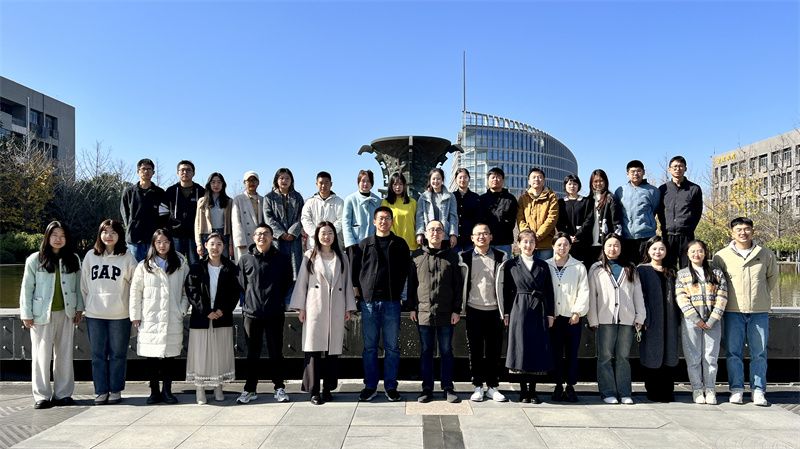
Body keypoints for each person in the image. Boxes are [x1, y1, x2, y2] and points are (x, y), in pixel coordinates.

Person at [289, 222, 357, 405]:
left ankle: (328, 388)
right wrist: (300, 308)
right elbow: (302, 282)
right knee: (313, 350)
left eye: (330, 233)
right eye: (323, 233)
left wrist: (348, 307)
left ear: (334, 236)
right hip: (315, 306)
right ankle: (314, 391)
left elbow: (347, 282)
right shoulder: (309, 255)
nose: (326, 236)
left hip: (336, 305)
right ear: (317, 236)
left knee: (332, 351)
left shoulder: (342, 256)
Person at [712, 217, 777, 407]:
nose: (743, 233)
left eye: (747, 229)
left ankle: (758, 390)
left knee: (759, 353)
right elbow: (717, 283)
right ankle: (737, 389)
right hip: (732, 310)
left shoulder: (766, 254)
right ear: (732, 233)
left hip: (759, 310)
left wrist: (760, 296)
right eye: (739, 229)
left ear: (753, 231)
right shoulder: (721, 256)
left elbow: (772, 279)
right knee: (733, 352)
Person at [19, 221, 84, 409]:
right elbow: (27, 288)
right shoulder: (35, 259)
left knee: (64, 355)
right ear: (47, 237)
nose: (58, 239)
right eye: (54, 235)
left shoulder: (73, 259)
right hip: (41, 315)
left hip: (66, 313)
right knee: (41, 356)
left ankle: (63, 394)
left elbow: (79, 286)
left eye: (62, 236)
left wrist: (79, 308)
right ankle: (42, 396)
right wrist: (26, 313)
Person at [350, 206, 411, 402]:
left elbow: (406, 272)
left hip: (392, 302)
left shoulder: (400, 244)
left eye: (387, 218)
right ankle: (370, 386)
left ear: (392, 221)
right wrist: (358, 295)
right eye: (380, 218)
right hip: (369, 303)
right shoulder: (364, 244)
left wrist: (403, 296)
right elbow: (355, 272)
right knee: (370, 347)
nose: (384, 221)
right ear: (374, 221)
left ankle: (391, 386)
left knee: (392, 347)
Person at [80, 219, 138, 405]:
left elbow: (136, 286)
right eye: (105, 232)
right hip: (95, 315)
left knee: (118, 355)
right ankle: (101, 391)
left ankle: (115, 389)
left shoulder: (127, 257)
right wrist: (87, 306)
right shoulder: (90, 256)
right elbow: (83, 286)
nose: (109, 236)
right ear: (100, 234)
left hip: (120, 315)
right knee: (97, 356)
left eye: (113, 232)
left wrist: (134, 312)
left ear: (119, 235)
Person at [129, 228, 190, 404]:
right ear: (153, 244)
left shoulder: (180, 264)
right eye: (158, 242)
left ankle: (167, 391)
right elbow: (135, 292)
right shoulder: (144, 266)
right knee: (152, 358)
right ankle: (154, 391)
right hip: (150, 317)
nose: (162, 245)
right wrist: (135, 315)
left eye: (166, 242)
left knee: (169, 358)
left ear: (171, 243)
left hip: (172, 316)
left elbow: (186, 290)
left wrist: (182, 309)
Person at [236, 223, 293, 404]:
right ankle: (250, 389)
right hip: (252, 314)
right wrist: (250, 302)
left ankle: (279, 387)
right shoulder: (245, 259)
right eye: (259, 234)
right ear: (253, 238)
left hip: (274, 312)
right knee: (252, 353)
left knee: (276, 352)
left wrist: (277, 300)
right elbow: (241, 284)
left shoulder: (282, 259)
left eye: (266, 233)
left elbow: (287, 282)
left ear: (272, 237)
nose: (262, 236)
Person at [408, 220, 464, 403]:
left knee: (446, 350)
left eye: (439, 230)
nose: (435, 233)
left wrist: (456, 310)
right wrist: (411, 307)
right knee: (426, 351)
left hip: (447, 313)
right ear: (425, 233)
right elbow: (412, 285)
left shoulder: (452, 257)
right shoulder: (417, 256)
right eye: (431, 230)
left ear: (444, 234)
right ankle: (427, 388)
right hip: (423, 312)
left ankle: (448, 387)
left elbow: (458, 286)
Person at [587, 233, 646, 405]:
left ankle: (625, 392)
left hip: (627, 319)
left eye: (616, 245)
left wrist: (640, 316)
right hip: (604, 319)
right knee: (605, 357)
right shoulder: (596, 268)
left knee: (623, 357)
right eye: (609, 245)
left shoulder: (630, 267)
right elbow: (592, 296)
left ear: (621, 248)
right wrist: (593, 319)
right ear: (604, 248)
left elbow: (637, 294)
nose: (613, 249)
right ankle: (608, 392)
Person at [185, 233, 242, 404]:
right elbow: (192, 291)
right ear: (205, 246)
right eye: (212, 244)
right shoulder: (197, 267)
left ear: (223, 247)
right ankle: (200, 388)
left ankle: (218, 386)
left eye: (219, 244)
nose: (215, 247)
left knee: (219, 352)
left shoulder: (230, 267)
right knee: (201, 353)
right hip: (201, 318)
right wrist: (205, 311)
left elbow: (234, 292)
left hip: (221, 317)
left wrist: (222, 310)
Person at [499, 230, 555, 404]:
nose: (528, 245)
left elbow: (549, 290)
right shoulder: (511, 264)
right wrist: (506, 312)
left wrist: (550, 313)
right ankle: (523, 391)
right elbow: (506, 290)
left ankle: (533, 391)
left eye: (531, 242)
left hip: (539, 308)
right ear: (518, 244)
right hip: (519, 307)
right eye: (525, 241)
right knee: (521, 348)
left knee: (536, 348)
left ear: (536, 245)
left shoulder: (543, 265)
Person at [676, 240, 728, 405]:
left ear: (705, 253)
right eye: (693, 251)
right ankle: (697, 389)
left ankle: (710, 389)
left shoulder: (716, 273)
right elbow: (681, 298)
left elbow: (722, 296)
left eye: (700, 251)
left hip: (713, 322)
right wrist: (696, 319)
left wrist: (713, 319)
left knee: (710, 357)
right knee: (693, 358)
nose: (696, 254)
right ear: (687, 254)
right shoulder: (682, 274)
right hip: (691, 322)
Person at [461, 223, 508, 402]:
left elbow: (507, 286)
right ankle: (478, 386)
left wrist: (506, 311)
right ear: (472, 238)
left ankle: (492, 386)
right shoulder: (464, 257)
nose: (482, 237)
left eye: (485, 233)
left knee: (494, 351)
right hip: (473, 309)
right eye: (478, 234)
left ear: (491, 236)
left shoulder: (501, 257)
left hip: (495, 310)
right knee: (475, 350)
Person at [545, 232, 589, 402]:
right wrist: (548, 313)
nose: (562, 248)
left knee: (572, 353)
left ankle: (570, 386)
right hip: (553, 318)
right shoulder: (546, 265)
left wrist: (577, 312)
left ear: (570, 246)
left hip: (572, 318)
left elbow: (584, 291)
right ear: (553, 246)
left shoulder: (578, 266)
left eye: (565, 245)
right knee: (555, 353)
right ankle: (557, 385)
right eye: (559, 244)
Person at [637, 236, 681, 403]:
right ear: (648, 250)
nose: (658, 252)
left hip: (670, 318)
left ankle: (668, 391)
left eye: (661, 249)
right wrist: (643, 317)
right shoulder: (642, 270)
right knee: (652, 353)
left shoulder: (672, 270)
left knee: (669, 353)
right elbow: (639, 296)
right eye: (654, 248)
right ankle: (653, 391)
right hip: (651, 319)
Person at [263, 168, 305, 304]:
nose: (284, 181)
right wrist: (281, 233)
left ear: (291, 180)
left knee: (295, 270)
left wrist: (292, 232)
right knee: (277, 270)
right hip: (277, 240)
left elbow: (302, 216)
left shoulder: (297, 197)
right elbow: (268, 218)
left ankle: (291, 301)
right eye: (281, 178)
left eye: (287, 178)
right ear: (276, 180)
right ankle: (278, 300)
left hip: (294, 240)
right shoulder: (269, 198)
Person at [657, 156, 703, 268]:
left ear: (685, 168)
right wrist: (664, 226)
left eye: (681, 166)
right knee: (668, 268)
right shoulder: (663, 189)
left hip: (686, 235)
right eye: (675, 166)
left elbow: (697, 212)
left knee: (687, 267)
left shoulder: (694, 189)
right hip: (668, 235)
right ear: (669, 169)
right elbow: (660, 210)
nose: (678, 169)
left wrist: (689, 227)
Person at [120, 158, 168, 261]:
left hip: (154, 238)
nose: (146, 171)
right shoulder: (129, 192)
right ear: (138, 171)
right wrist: (131, 226)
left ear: (153, 172)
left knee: (153, 267)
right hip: (134, 238)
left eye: (149, 169)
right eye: (143, 169)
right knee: (135, 268)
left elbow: (164, 215)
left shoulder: (160, 193)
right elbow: (124, 213)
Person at [614, 160, 660, 265]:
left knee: (646, 266)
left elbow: (654, 209)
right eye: (632, 171)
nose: (636, 174)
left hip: (647, 237)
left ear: (643, 172)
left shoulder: (653, 191)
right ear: (627, 174)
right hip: (626, 237)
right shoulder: (620, 191)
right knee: (629, 267)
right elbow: (618, 212)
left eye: (639, 171)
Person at [164, 160, 204, 265]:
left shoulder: (201, 191)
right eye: (182, 170)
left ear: (193, 173)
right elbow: (164, 213)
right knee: (175, 264)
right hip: (175, 235)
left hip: (194, 235)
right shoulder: (171, 191)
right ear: (177, 173)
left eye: (188, 170)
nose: (185, 172)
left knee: (195, 264)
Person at [517, 167, 559, 260]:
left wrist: (538, 236)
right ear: (529, 181)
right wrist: (528, 236)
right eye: (534, 177)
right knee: (527, 268)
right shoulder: (523, 198)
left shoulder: (551, 197)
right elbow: (520, 218)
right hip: (527, 244)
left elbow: (552, 218)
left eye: (540, 177)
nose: (537, 179)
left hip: (545, 244)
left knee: (545, 268)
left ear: (543, 181)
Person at [479, 167, 518, 258]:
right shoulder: (481, 199)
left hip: (504, 242)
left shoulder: (510, 199)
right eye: (492, 177)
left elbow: (512, 220)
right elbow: (479, 220)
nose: (495, 179)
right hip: (485, 241)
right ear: (488, 180)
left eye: (498, 177)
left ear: (503, 180)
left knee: (504, 265)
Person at [585, 169, 621, 268]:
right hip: (589, 242)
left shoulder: (610, 198)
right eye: (595, 181)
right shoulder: (588, 200)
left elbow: (616, 221)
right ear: (591, 183)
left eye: (601, 181)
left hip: (605, 241)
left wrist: (615, 239)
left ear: (605, 182)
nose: (598, 184)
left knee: (605, 269)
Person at [415, 168, 458, 248]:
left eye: (438, 179)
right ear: (430, 180)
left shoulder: (450, 196)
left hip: (444, 236)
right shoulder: (423, 197)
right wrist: (420, 233)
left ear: (442, 180)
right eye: (433, 179)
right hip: (429, 236)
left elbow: (453, 217)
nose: (436, 181)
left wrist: (453, 234)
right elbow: (419, 217)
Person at [301, 171, 344, 250]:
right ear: (316, 184)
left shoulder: (339, 202)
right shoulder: (310, 202)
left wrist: (330, 233)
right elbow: (305, 219)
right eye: (321, 183)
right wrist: (317, 233)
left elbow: (341, 219)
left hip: (334, 242)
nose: (323, 185)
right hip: (314, 243)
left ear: (331, 184)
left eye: (326, 182)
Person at [195, 172, 233, 259]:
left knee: (223, 262)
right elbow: (197, 224)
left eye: (219, 182)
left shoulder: (229, 201)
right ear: (209, 184)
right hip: (206, 234)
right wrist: (199, 244)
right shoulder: (202, 201)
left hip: (223, 234)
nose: (216, 185)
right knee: (206, 262)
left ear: (223, 184)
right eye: (213, 182)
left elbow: (231, 225)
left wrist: (231, 244)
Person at [556, 174, 593, 264]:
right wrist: (568, 236)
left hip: (583, 241)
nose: (572, 186)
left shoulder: (586, 201)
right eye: (569, 184)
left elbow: (589, 220)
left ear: (579, 186)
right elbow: (559, 222)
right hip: (566, 241)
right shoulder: (560, 202)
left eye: (575, 184)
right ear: (565, 186)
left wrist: (577, 235)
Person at [342, 169, 381, 252]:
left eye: (368, 181)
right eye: (363, 181)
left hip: (373, 243)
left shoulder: (377, 200)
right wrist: (350, 243)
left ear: (372, 183)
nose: (365, 184)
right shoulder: (350, 199)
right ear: (358, 182)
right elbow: (346, 222)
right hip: (355, 243)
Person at [231, 171, 264, 261]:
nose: (252, 183)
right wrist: (240, 240)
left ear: (258, 182)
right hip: (245, 239)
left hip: (260, 239)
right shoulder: (238, 199)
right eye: (249, 180)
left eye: (254, 180)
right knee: (245, 264)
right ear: (244, 183)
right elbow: (236, 221)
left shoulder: (263, 200)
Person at [381, 172, 418, 251]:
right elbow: (385, 223)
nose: (398, 187)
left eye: (400, 184)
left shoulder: (413, 202)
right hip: (394, 245)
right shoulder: (386, 203)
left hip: (411, 245)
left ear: (404, 185)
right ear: (391, 186)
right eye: (395, 184)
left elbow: (417, 222)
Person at [453, 168, 481, 253]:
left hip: (470, 240)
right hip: (454, 239)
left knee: (471, 260)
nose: (462, 180)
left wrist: (476, 237)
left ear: (469, 179)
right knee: (454, 261)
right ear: (456, 180)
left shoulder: (475, 197)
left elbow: (478, 219)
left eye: (465, 177)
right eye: (460, 177)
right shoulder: (451, 197)